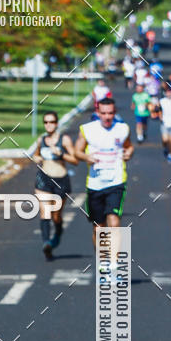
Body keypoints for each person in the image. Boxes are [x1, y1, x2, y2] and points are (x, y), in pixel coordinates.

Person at [74, 96, 133, 249]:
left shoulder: (122, 129)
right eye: (104, 113)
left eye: (110, 113)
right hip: (95, 183)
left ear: (115, 113)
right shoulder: (87, 130)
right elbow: (77, 151)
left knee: (114, 222)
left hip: (116, 181)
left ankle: (114, 261)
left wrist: (129, 153)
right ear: (98, 113)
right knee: (98, 228)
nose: (107, 117)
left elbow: (129, 146)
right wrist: (86, 157)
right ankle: (103, 258)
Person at [32, 110, 78, 259]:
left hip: (61, 181)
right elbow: (36, 154)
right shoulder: (41, 140)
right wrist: (37, 158)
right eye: (46, 122)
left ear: (57, 124)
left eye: (51, 122)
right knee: (45, 212)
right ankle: (46, 243)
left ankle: (58, 232)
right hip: (44, 179)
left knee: (56, 215)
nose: (49, 125)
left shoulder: (64, 140)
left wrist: (61, 154)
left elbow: (75, 160)